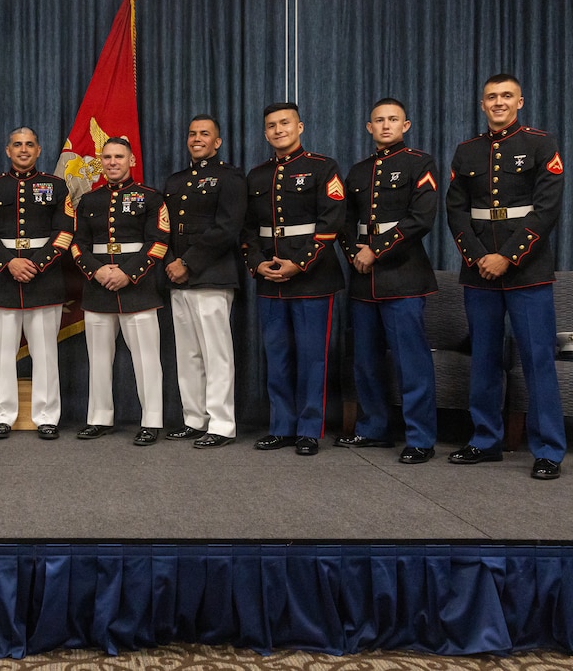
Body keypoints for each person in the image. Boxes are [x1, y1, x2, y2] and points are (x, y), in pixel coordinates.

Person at [446, 74, 566, 480]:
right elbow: (456, 211)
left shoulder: (539, 143)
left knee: (537, 359)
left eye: (506, 97)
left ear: (520, 101)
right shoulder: (466, 152)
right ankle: (484, 440)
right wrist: (481, 257)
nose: (498, 103)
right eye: (491, 97)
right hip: (479, 271)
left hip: (527, 270)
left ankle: (548, 448)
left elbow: (546, 209)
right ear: (482, 104)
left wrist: (507, 257)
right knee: (484, 359)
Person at [335, 98, 439, 464]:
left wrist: (374, 251)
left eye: (393, 120)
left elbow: (421, 218)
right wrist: (354, 254)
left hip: (403, 275)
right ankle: (373, 428)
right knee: (365, 361)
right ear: (368, 127)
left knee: (411, 363)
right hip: (364, 279)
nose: (385, 126)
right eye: (378, 120)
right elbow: (344, 221)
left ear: (405, 125)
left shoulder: (419, 163)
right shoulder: (358, 171)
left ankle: (420, 438)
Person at [242, 102, 346, 456]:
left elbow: (331, 223)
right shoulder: (256, 175)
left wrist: (298, 263)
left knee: (313, 356)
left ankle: (308, 428)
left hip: (313, 277)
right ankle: (281, 426)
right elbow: (246, 230)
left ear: (300, 126)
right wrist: (257, 264)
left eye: (285, 123)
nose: (278, 129)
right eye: (271, 125)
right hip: (269, 279)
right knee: (277, 355)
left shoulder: (322, 167)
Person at [0, 127, 74, 439]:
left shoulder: (57, 186)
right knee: (3, 352)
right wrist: (9, 262)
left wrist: (36, 263)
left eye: (29, 144)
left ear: (39, 150)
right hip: (2, 278)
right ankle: (1, 416)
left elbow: (65, 231)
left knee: (45, 352)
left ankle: (47, 416)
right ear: (7, 150)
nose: (23, 149)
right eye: (17, 144)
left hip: (43, 279)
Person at [71, 137, 169, 446]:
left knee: (147, 359)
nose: (113, 162)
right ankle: (99, 417)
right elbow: (77, 243)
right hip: (98, 286)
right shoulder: (88, 201)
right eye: (108, 157)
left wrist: (128, 273)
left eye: (119, 156)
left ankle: (151, 421)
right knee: (98, 358)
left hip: (137, 287)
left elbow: (159, 242)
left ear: (132, 162)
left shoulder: (151, 198)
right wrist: (96, 271)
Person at [162, 115, 247, 449]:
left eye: (205, 134)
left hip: (211, 274)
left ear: (217, 142)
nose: (197, 138)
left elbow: (227, 228)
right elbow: (164, 227)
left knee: (216, 354)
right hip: (177, 276)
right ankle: (194, 419)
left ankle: (222, 424)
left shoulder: (230, 177)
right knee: (188, 354)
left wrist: (188, 262)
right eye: (192, 133)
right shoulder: (175, 180)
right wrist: (171, 262)